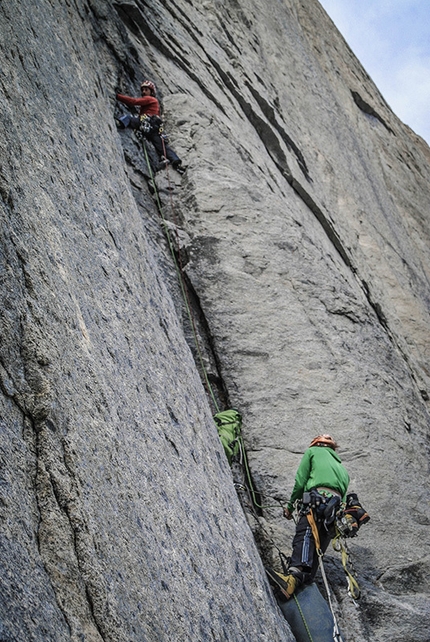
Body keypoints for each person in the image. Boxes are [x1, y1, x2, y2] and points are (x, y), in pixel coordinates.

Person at [268, 434, 353, 600]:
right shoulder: (343, 470)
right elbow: (342, 501)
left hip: (315, 503)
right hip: (333, 513)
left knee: (305, 535)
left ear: (317, 443)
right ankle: (304, 588)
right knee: (317, 549)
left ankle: (291, 580)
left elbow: (301, 480)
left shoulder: (313, 451)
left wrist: (290, 506)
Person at [116, 80, 185, 174]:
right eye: (143, 90)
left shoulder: (150, 99)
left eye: (146, 90)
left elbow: (133, 101)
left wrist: (118, 96)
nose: (143, 92)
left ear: (151, 92)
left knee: (128, 118)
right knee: (162, 146)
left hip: (146, 124)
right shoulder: (154, 104)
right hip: (154, 129)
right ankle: (175, 161)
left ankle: (120, 123)